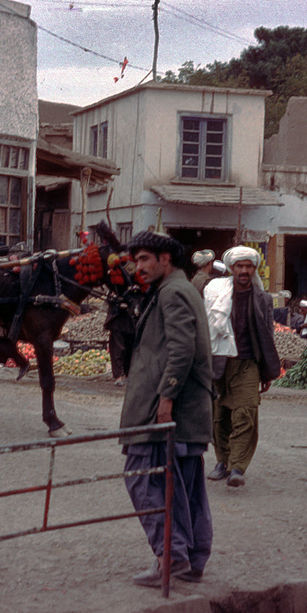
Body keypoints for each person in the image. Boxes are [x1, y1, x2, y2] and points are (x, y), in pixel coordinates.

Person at [119, 230, 213, 587]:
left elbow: (181, 349)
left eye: (144, 259)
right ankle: (192, 558)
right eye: (136, 260)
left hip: (166, 410)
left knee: (144, 479)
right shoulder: (177, 289)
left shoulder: (172, 292)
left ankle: (171, 559)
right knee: (184, 488)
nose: (138, 266)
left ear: (165, 259)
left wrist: (166, 399)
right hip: (184, 412)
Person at [203, 246, 280, 488]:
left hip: (248, 364)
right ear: (231, 269)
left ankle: (237, 467)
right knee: (219, 415)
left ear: (254, 269)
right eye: (240, 266)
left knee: (245, 413)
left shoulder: (263, 299)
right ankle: (221, 462)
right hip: (219, 362)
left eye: (249, 266)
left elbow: (268, 334)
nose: (244, 271)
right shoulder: (216, 296)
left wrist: (267, 371)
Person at [104, 286, 143, 387]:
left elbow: (140, 297)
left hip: (132, 320)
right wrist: (118, 302)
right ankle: (118, 376)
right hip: (118, 319)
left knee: (130, 348)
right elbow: (109, 299)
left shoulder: (137, 284)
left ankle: (127, 374)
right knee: (118, 348)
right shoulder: (115, 284)